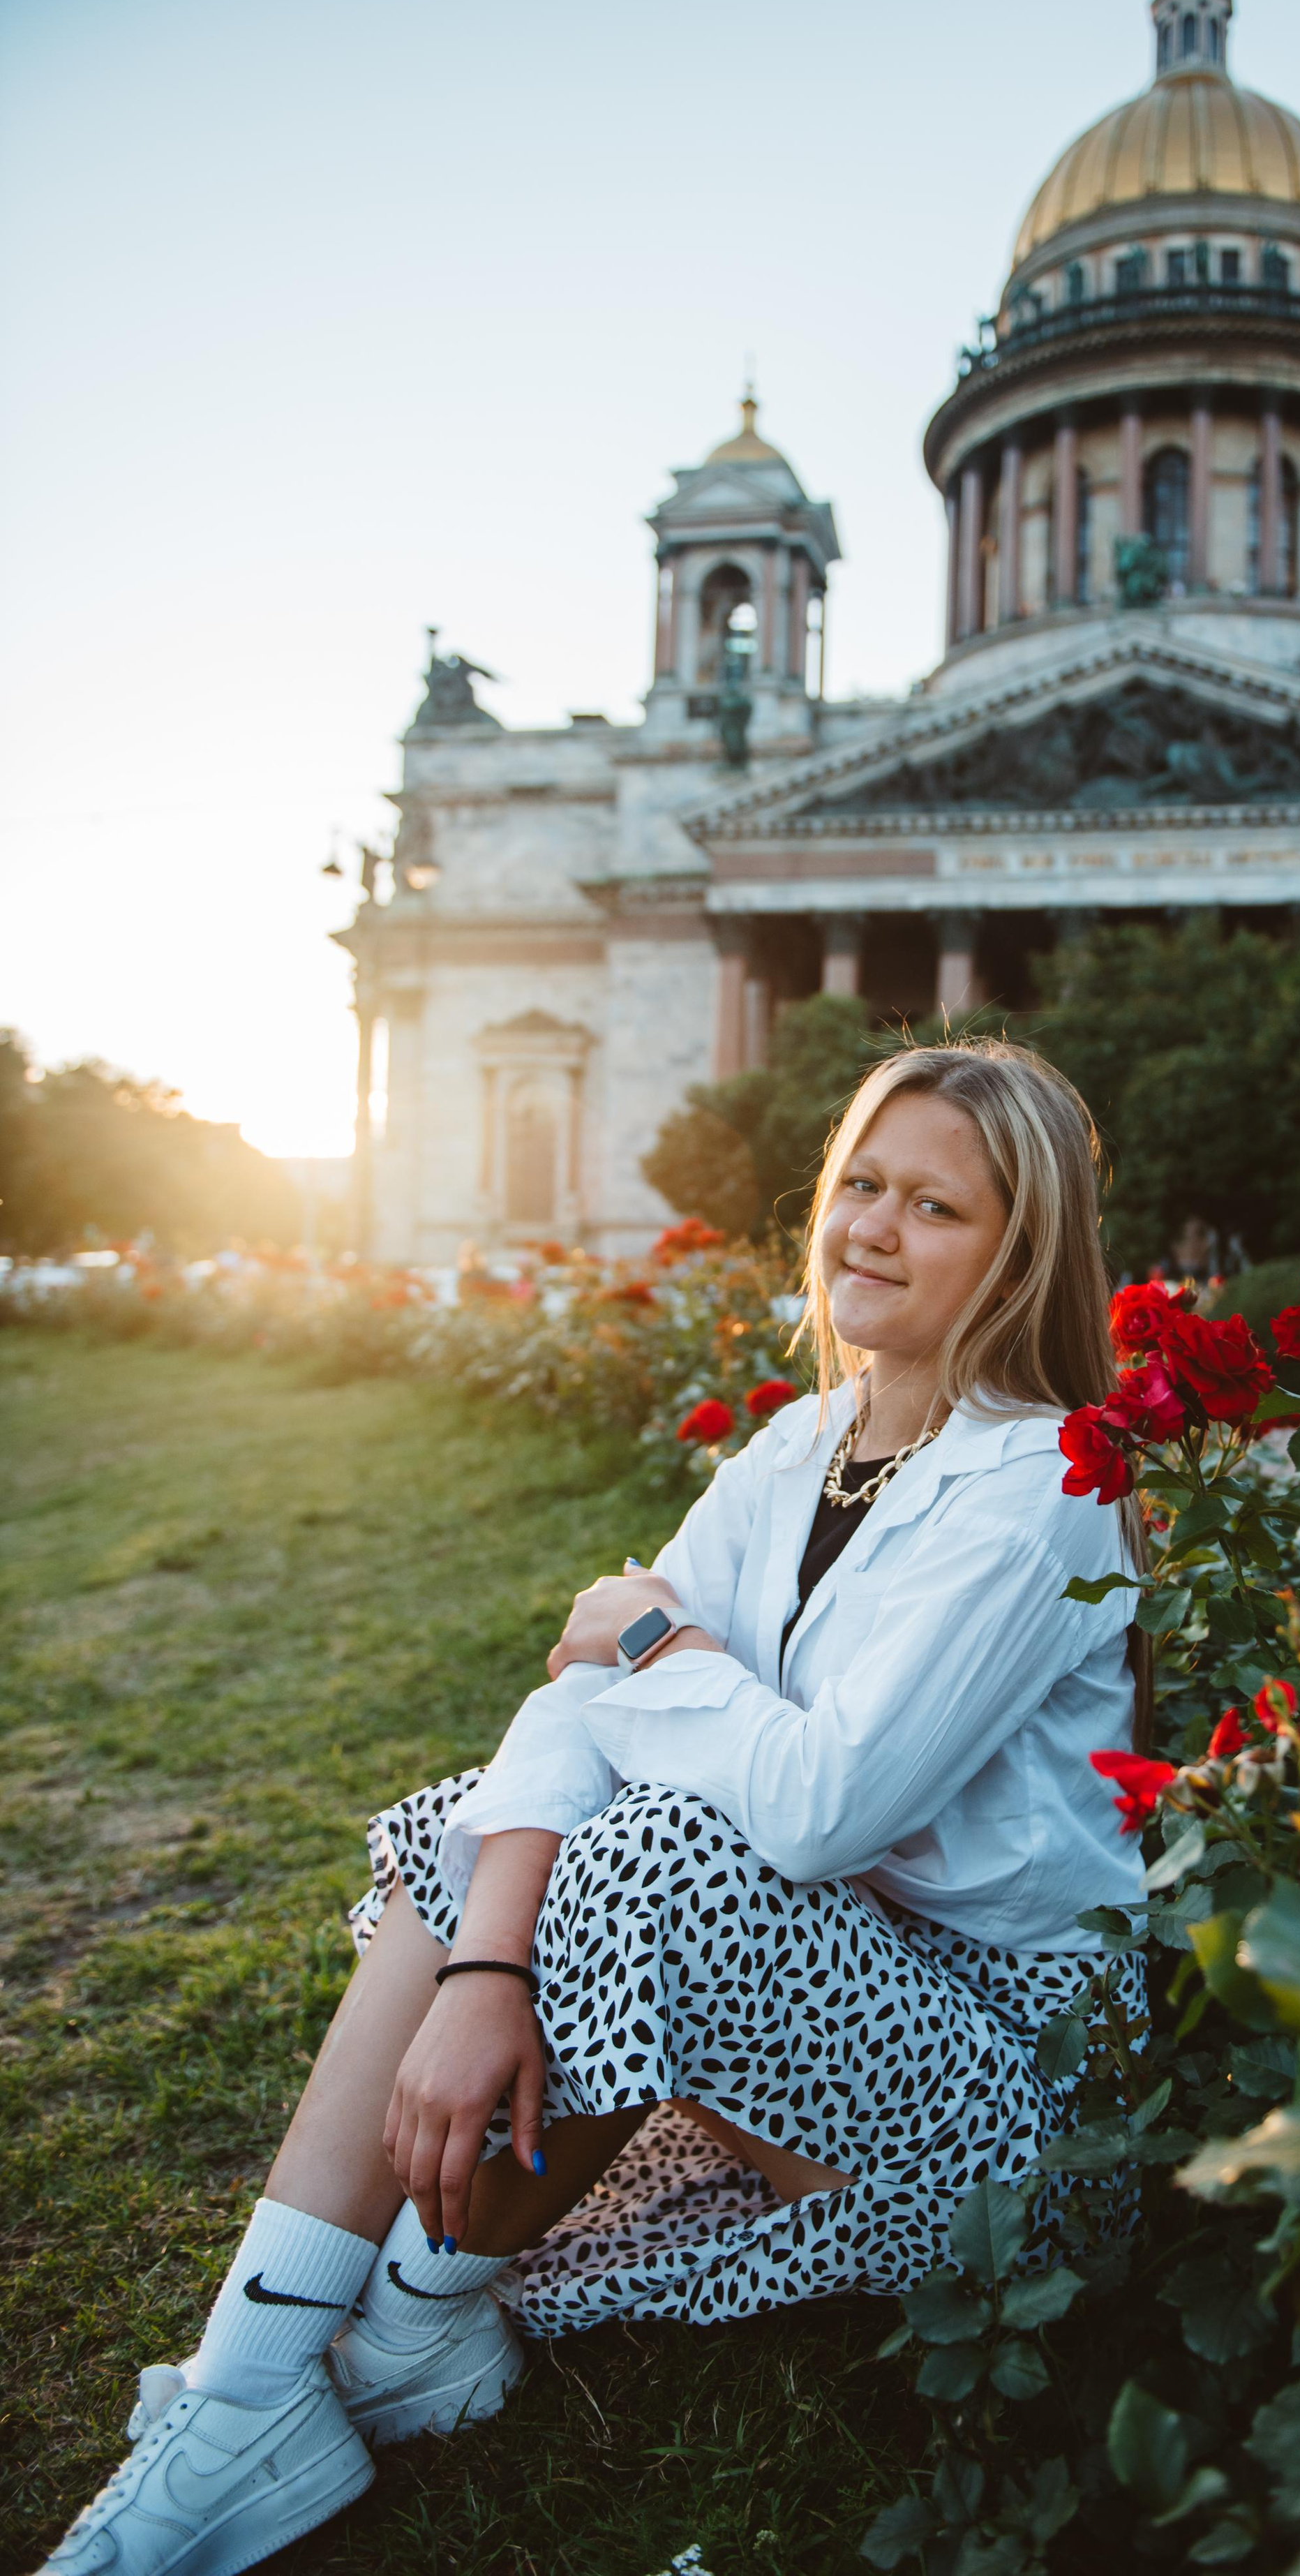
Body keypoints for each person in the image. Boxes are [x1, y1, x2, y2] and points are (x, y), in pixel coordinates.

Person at [40, 1041, 1146, 2575]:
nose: (872, 1229)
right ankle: (250, 2380)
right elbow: (578, 1711)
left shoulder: (1043, 1488)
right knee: (477, 1823)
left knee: (674, 1849)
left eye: (934, 1209)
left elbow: (816, 1810)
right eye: (863, 1187)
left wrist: (653, 1641)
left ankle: (422, 2326)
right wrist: (490, 1967)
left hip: (1003, 2096)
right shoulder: (800, 1447)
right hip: (824, 2011)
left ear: (1022, 1255)